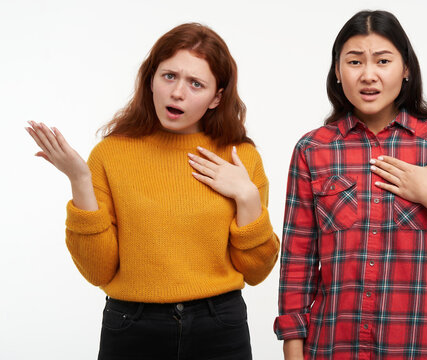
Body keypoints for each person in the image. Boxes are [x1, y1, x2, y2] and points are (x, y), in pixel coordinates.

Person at [26, 23, 279, 360]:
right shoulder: (110, 154)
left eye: (196, 84)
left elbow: (256, 272)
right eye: (169, 76)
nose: (178, 93)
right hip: (133, 325)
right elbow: (98, 271)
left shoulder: (241, 157)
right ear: (150, 80)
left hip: (219, 325)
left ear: (217, 96)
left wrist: (246, 196)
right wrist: (79, 181)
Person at [274, 10, 427, 360]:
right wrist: (293, 351)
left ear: (406, 69)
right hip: (334, 348)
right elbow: (297, 261)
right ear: (338, 71)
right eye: (354, 62)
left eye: (383, 60)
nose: (368, 75)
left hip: (418, 346)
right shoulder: (313, 149)